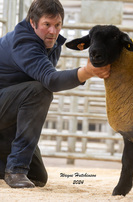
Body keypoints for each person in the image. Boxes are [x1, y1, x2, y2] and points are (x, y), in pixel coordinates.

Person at [0, 0, 110, 188]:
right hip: (5, 105)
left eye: (57, 25)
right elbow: (49, 81)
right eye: (47, 25)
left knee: (38, 177)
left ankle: (13, 165)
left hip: (8, 110)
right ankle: (16, 168)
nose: (53, 31)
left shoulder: (52, 44)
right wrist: (87, 71)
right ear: (33, 22)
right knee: (40, 91)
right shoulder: (24, 42)